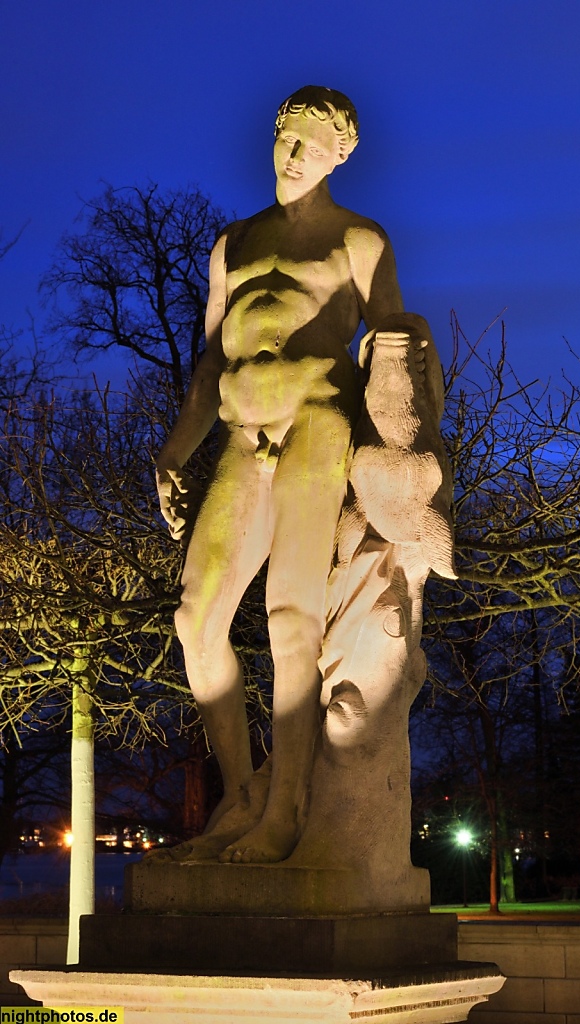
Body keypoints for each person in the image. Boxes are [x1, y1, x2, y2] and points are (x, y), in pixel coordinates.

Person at [155, 85, 424, 864]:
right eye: (284, 140)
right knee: (196, 621)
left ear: (342, 152)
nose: (292, 153)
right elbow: (211, 364)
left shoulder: (358, 241)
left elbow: (398, 349)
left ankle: (286, 810)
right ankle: (242, 796)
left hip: (316, 423)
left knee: (290, 618)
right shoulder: (232, 244)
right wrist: (174, 450)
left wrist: (399, 466)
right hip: (242, 435)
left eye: (308, 143)